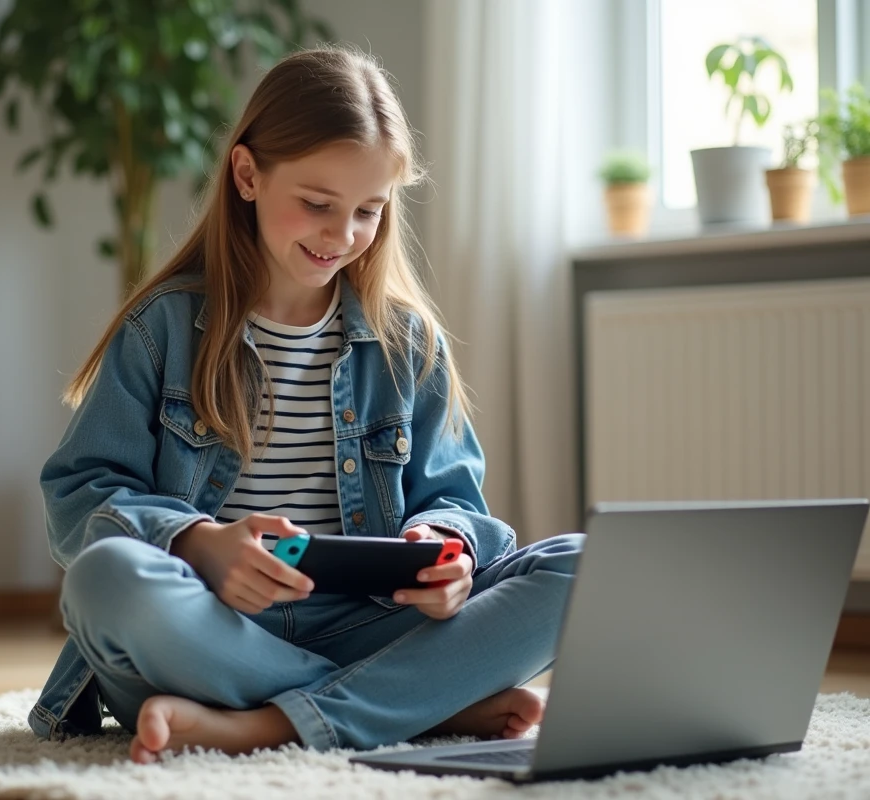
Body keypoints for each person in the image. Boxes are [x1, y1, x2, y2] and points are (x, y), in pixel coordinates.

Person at [29, 44, 585, 764]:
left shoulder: (407, 343)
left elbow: (458, 503)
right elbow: (76, 503)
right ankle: (413, 704)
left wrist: (447, 554)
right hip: (208, 635)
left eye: (368, 212)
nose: (342, 235)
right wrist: (199, 542)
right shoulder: (161, 328)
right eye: (318, 204)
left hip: (366, 624)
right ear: (248, 174)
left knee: (580, 568)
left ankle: (266, 727)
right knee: (105, 579)